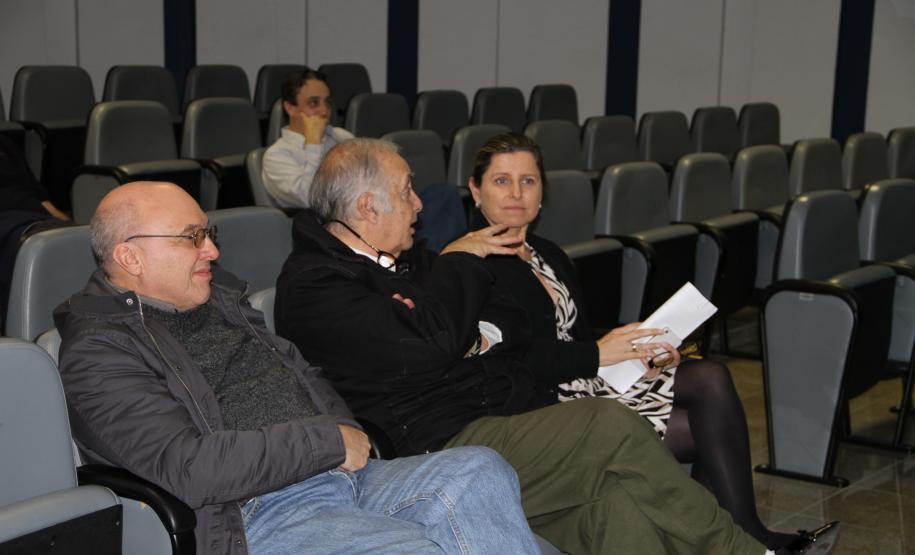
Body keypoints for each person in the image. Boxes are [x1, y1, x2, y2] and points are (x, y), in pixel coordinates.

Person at [274, 138, 827, 554]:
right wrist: (462, 271)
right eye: (406, 191)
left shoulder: (416, 260)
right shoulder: (317, 284)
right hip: (439, 445)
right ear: (368, 208)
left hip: (503, 413)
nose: (419, 204)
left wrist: (473, 334)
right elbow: (432, 345)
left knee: (619, 508)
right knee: (604, 424)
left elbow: (507, 322)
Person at [54, 181, 542, 555]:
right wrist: (328, 442)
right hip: (258, 511)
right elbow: (189, 467)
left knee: (480, 468)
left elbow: (303, 373)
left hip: (342, 477)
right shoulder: (99, 352)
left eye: (209, 233)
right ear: (129, 256)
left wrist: (345, 435)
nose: (213, 250)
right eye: (192, 238)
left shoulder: (219, 302)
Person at [464, 132, 841, 551]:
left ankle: (739, 533)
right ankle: (741, 536)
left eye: (528, 181)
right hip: (546, 402)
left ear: (542, 192)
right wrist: (597, 354)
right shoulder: (470, 264)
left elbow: (573, 331)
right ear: (475, 191)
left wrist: (639, 349)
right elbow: (506, 360)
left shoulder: (546, 252)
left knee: (710, 376)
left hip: (584, 374)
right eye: (501, 181)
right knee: (707, 426)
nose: (516, 193)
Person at [0, 133, 69, 332]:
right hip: (8, 222)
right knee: (32, 245)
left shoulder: (5, 143)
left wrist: (69, 225)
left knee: (76, 240)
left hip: (35, 217)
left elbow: (39, 197)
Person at [261, 68, 355, 209]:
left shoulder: (341, 137)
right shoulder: (276, 156)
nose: (324, 111)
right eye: (313, 103)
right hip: (315, 227)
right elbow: (311, 199)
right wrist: (313, 143)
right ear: (290, 108)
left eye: (327, 103)